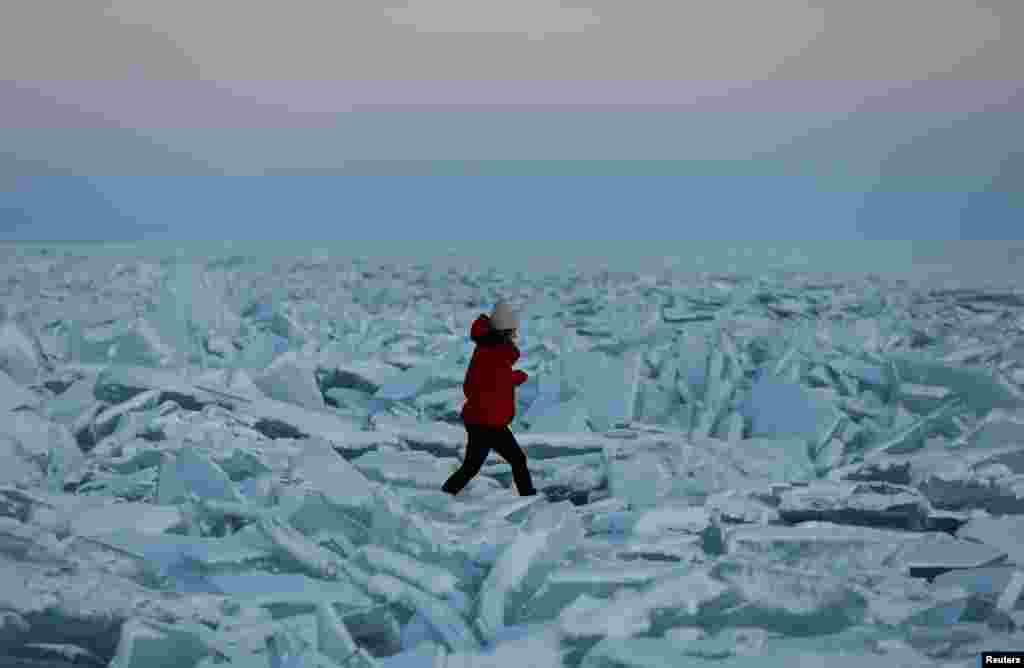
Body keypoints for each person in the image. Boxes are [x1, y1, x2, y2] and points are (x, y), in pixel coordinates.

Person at [442, 301, 537, 497]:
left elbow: (493, 379)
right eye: (512, 330)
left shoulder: (491, 349)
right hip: (486, 422)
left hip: (485, 420)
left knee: (472, 467)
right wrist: (514, 378)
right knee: (516, 459)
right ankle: (529, 498)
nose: (515, 334)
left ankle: (445, 494)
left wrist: (510, 378)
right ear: (503, 330)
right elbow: (484, 383)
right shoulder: (490, 351)